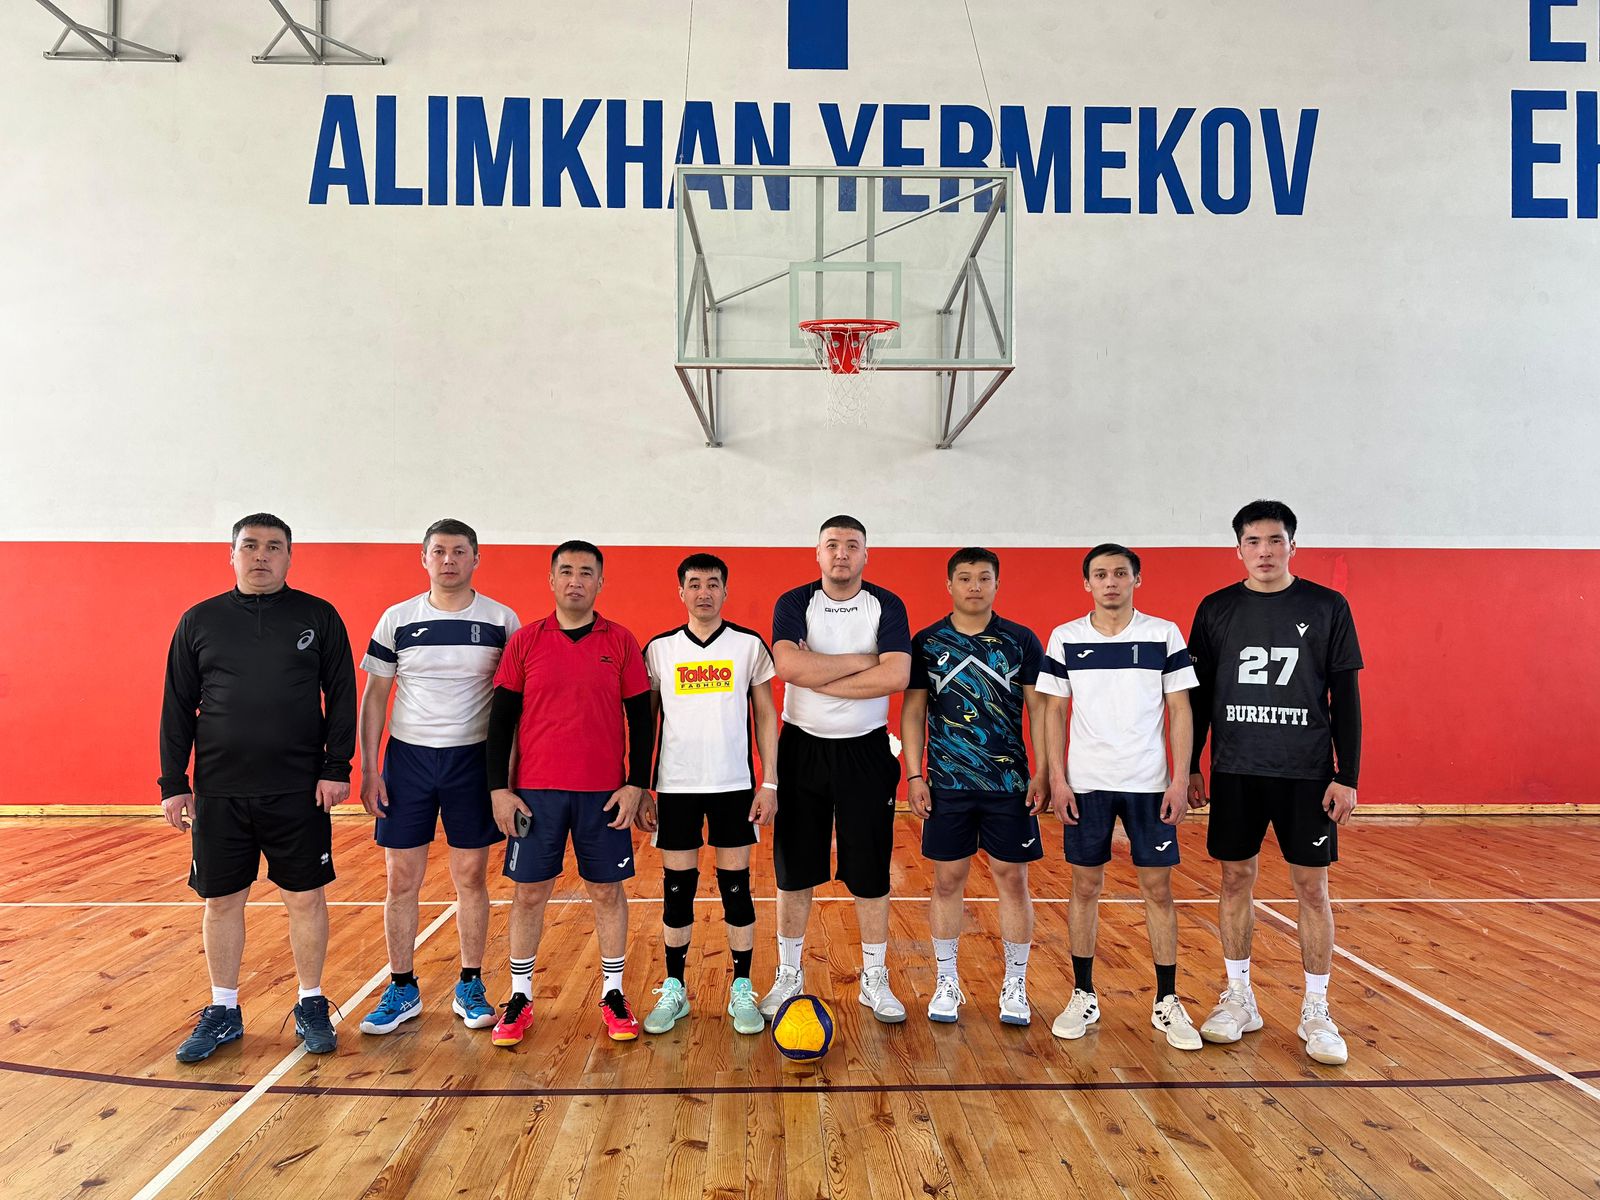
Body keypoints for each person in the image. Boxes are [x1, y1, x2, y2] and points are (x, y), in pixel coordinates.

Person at [159, 513, 356, 1063]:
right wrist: (173, 782)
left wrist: (336, 767)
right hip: (219, 790)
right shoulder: (199, 620)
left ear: (290, 556)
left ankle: (311, 1003)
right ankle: (223, 1009)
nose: (261, 555)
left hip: (297, 789)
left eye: (273, 546)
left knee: (305, 897)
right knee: (221, 901)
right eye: (250, 545)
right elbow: (177, 705)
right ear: (232, 554)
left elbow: (342, 694)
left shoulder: (318, 615)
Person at [1187, 500, 1364, 1066]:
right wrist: (1191, 764)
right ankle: (1240, 997)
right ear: (1238, 548)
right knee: (1235, 879)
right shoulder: (1216, 608)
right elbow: (1197, 697)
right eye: (1253, 541)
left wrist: (1347, 775)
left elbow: (1346, 697)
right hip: (1237, 769)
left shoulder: (1327, 606)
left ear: (1292, 545)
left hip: (1305, 773)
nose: (1264, 551)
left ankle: (1317, 1009)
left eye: (1275, 540)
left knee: (1312, 888)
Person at [485, 540, 654, 1046]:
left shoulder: (621, 641)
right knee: (529, 893)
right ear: (551, 580)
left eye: (585, 572)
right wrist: (498, 790)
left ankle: (614, 993)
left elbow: (642, 719)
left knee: (607, 892)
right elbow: (500, 722)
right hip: (535, 794)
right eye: (566, 571)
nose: (575, 580)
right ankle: (520, 997)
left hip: (603, 794)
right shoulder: (525, 642)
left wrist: (637, 783)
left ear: (600, 582)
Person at [355, 519, 520, 1036]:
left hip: (473, 761)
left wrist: (509, 776)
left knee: (470, 877)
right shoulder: (398, 619)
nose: (449, 560)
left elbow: (514, 703)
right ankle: (402, 987)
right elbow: (375, 696)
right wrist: (370, 768)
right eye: (439, 551)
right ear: (424, 558)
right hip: (408, 762)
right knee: (401, 879)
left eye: (459, 551)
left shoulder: (501, 620)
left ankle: (470, 983)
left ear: (476, 559)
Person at [1036, 543, 1203, 1051]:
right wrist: (1059, 779)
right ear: (1086, 583)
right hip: (1086, 784)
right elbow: (1052, 712)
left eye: (1121, 573)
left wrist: (1179, 779)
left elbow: (1180, 709)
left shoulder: (1163, 634)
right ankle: (1083, 994)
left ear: (1137, 579)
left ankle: (1167, 1000)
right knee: (1085, 887)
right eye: (1101, 574)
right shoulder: (1066, 637)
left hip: (1149, 784)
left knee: (1158, 890)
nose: (1111, 582)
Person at [761, 516, 913, 1023]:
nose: (841, 553)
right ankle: (789, 974)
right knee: (793, 869)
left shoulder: (886, 604)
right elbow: (788, 667)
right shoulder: (793, 602)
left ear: (866, 554)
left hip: (865, 751)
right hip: (801, 749)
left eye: (852, 545)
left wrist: (818, 674)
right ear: (818, 553)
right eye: (832, 545)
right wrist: (865, 660)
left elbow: (897, 674)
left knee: (870, 869)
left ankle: (874, 977)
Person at [901, 547, 1047, 1026]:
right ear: (949, 585)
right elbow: (914, 712)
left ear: (997, 584)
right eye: (965, 578)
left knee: (1013, 879)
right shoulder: (927, 642)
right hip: (948, 784)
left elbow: (1039, 710)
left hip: (1009, 783)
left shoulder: (1020, 640)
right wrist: (915, 775)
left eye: (984, 578)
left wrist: (1043, 771)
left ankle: (1016, 984)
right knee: (947, 881)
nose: (975, 586)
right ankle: (947, 982)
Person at [638, 553, 780, 1037]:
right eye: (695, 583)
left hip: (733, 786)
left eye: (713, 583)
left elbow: (766, 716)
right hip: (675, 787)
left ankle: (742, 987)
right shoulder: (660, 650)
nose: (704, 592)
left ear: (725, 591)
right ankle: (675, 988)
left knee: (735, 887)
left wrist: (769, 782)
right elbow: (645, 724)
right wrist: (642, 786)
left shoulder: (748, 645)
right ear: (681, 591)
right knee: (676, 890)